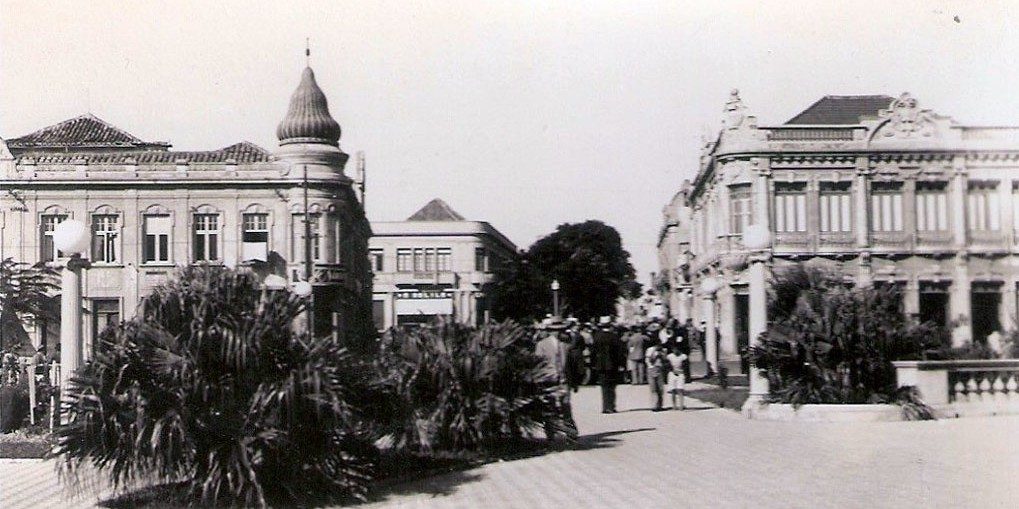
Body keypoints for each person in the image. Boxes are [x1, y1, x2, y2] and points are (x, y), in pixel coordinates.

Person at [535, 319, 578, 439]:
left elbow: (571, 365)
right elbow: (538, 363)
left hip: (563, 380)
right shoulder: (542, 345)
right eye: (556, 330)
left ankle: (570, 432)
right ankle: (550, 432)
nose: (558, 333)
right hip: (549, 381)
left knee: (566, 405)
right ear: (550, 331)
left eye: (560, 330)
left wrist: (574, 382)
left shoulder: (566, 345)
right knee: (550, 406)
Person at [592, 316, 625, 413]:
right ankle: (611, 406)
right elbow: (619, 352)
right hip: (612, 364)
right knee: (612, 386)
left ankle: (605, 406)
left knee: (604, 386)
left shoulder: (597, 336)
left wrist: (593, 363)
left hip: (601, 364)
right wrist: (621, 364)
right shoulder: (614, 337)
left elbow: (593, 351)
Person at [645, 340, 668, 412]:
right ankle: (654, 405)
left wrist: (662, 355)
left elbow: (665, 360)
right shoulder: (650, 350)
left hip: (660, 369)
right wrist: (655, 355)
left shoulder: (664, 350)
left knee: (660, 388)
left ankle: (660, 405)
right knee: (653, 388)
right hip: (651, 368)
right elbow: (648, 360)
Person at [666, 345, 688, 410]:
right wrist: (672, 370)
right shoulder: (669, 356)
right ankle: (674, 405)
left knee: (680, 389)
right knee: (673, 390)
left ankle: (681, 405)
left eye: (676, 349)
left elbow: (685, 366)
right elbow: (667, 366)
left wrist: (684, 373)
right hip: (672, 374)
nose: (675, 351)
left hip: (680, 374)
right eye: (674, 349)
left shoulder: (683, 356)